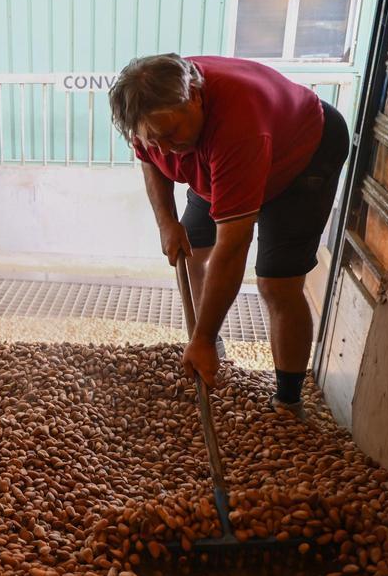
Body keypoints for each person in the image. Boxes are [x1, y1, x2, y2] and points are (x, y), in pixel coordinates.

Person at [109, 53, 349, 418]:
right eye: (153, 139)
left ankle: (289, 401)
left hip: (302, 154)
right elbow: (150, 159)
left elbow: (234, 244)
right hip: (218, 158)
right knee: (192, 249)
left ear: (195, 95)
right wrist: (167, 223)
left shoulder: (238, 127)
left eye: (171, 134)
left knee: (278, 283)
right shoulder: (148, 105)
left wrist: (200, 338)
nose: (164, 148)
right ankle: (211, 349)